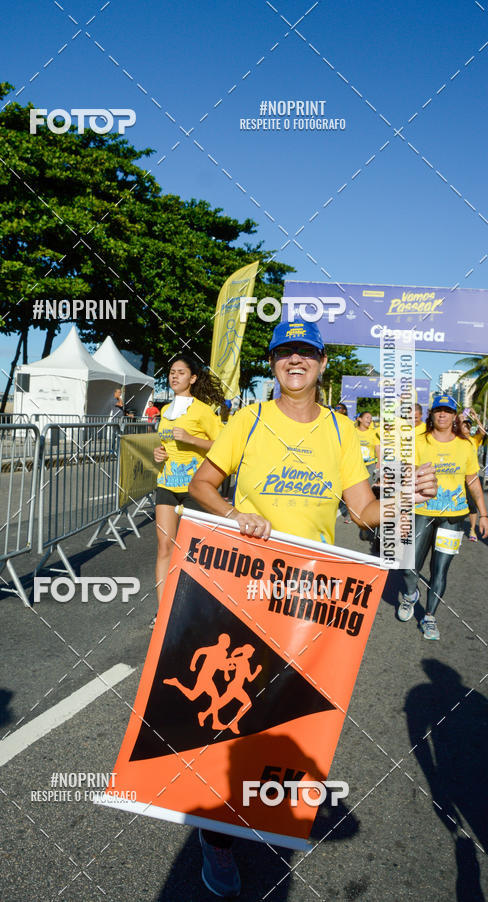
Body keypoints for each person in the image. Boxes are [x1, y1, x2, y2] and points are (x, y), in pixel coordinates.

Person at [188, 319, 437, 897]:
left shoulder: (343, 430)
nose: (293, 361)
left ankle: (256, 811)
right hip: (245, 587)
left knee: (284, 716)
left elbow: (365, 512)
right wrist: (233, 516)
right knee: (231, 713)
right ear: (273, 364)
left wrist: (406, 496)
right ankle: (215, 840)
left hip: (312, 598)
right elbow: (203, 484)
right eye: (283, 354)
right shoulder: (247, 419)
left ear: (322, 363)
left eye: (305, 353)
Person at [398, 395, 488, 640]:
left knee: (440, 570)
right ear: (431, 413)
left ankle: (429, 617)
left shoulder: (465, 445)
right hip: (422, 511)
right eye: (438, 410)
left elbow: (472, 481)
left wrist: (483, 513)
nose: (442, 415)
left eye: (447, 411)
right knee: (408, 567)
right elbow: (407, 477)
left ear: (454, 416)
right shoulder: (418, 441)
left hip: (453, 516)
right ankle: (409, 595)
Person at [152, 355, 226, 626]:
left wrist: (192, 439)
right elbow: (166, 447)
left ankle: (194, 609)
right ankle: (164, 613)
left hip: (195, 489)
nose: (174, 377)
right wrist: (158, 454)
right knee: (164, 547)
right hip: (166, 485)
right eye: (172, 372)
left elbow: (223, 446)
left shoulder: (203, 411)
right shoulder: (164, 411)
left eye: (181, 373)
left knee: (192, 551)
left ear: (193, 378)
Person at [456, 409, 487, 542]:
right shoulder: (455, 439)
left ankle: (472, 529)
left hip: (471, 477)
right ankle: (455, 529)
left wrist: (475, 417)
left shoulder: (474, 440)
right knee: (456, 503)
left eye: (468, 424)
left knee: (472, 506)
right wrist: (460, 417)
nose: (466, 426)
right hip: (457, 476)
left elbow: (483, 432)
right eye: (464, 424)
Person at [355, 410, 381, 481]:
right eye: (367, 417)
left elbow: (377, 448)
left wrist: (379, 462)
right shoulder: (353, 431)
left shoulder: (373, 433)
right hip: (356, 464)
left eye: (371, 418)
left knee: (370, 486)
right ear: (360, 419)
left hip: (370, 464)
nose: (370, 420)